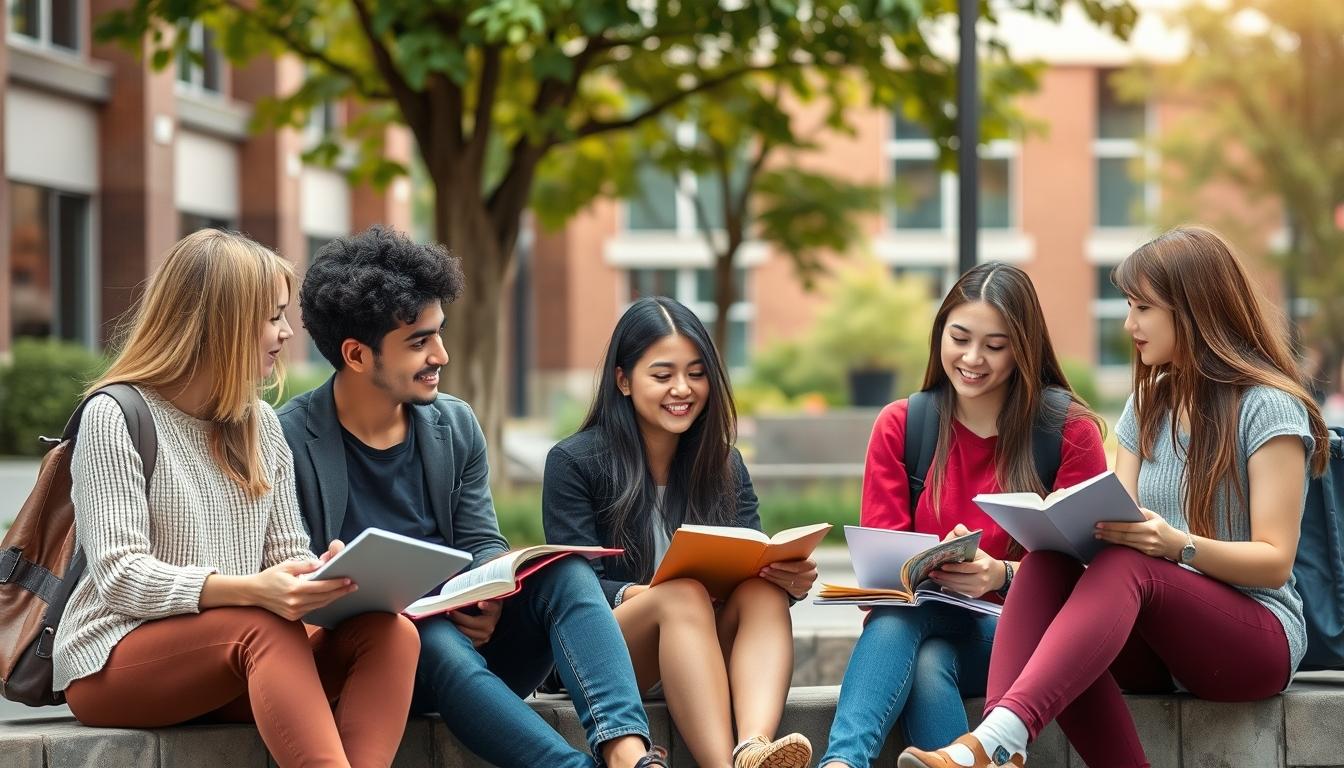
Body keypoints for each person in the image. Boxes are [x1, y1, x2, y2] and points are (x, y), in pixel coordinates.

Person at [902, 227, 1330, 768]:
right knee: (1047, 565)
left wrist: (1178, 545)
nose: (1129, 324)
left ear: (1194, 310)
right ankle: (999, 747)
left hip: (1252, 639)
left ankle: (994, 740)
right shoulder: (1148, 401)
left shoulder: (1269, 407)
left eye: (1142, 307)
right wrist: (1058, 530)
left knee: (1136, 563)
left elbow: (1274, 562)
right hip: (1153, 634)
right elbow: (1114, 522)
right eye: (1128, 305)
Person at [278, 226, 668, 768]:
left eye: (438, 333)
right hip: (377, 660)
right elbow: (290, 580)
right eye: (418, 342)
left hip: (471, 643)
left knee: (568, 573)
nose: (441, 354)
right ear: (357, 355)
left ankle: (630, 757)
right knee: (426, 637)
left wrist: (489, 595)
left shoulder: (454, 424)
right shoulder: (289, 440)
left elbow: (482, 539)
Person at [53, 229, 421, 768]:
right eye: (273, 316)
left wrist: (317, 574)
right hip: (114, 660)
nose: (286, 332)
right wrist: (252, 592)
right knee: (262, 624)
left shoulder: (260, 425)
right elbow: (119, 575)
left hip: (236, 660)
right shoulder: (116, 415)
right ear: (220, 321)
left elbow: (282, 555)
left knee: (390, 633)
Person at [816, 262, 1108, 768]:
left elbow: (1096, 577)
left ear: (1024, 348)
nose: (973, 359)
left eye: (995, 346)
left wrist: (1002, 574)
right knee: (917, 645)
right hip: (922, 627)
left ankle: (841, 762)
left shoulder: (1068, 432)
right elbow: (883, 576)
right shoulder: (904, 426)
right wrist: (928, 569)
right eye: (960, 338)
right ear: (940, 336)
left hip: (1025, 642)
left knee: (906, 623)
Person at [543, 296, 816, 768]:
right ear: (624, 380)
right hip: (608, 654)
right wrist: (642, 594)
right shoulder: (574, 463)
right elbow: (572, 586)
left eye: (696, 373)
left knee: (762, 594)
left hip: (706, 644)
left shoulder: (725, 464)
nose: (682, 389)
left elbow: (752, 556)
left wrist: (785, 577)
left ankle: (752, 747)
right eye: (663, 375)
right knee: (682, 593)